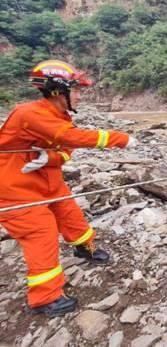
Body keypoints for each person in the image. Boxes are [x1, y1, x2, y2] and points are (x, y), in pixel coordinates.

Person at [0, 60, 136, 317]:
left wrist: (48, 159)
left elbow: (66, 150)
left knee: (70, 214)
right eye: (75, 89)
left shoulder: (58, 116)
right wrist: (120, 139)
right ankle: (45, 297)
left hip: (46, 181)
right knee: (41, 233)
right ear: (56, 90)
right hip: (14, 189)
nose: (79, 95)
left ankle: (85, 247)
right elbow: (71, 138)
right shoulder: (28, 113)